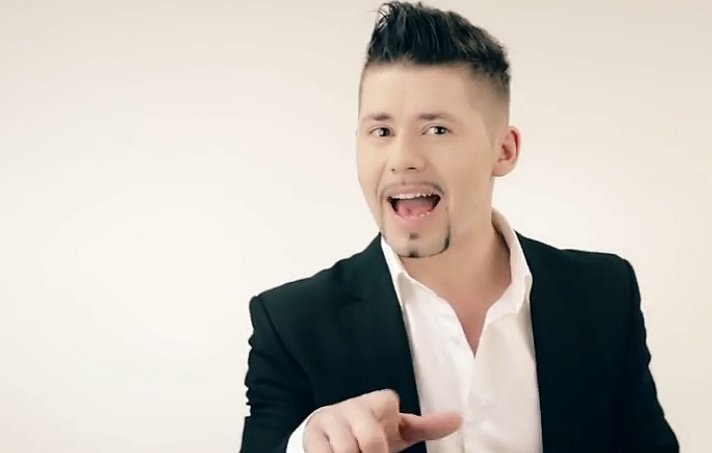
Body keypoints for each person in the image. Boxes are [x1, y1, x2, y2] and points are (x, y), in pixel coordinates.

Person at [240, 2, 679, 452]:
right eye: (381, 132)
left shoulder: (604, 295)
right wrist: (306, 447)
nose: (402, 158)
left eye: (436, 130)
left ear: (504, 151)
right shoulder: (293, 323)